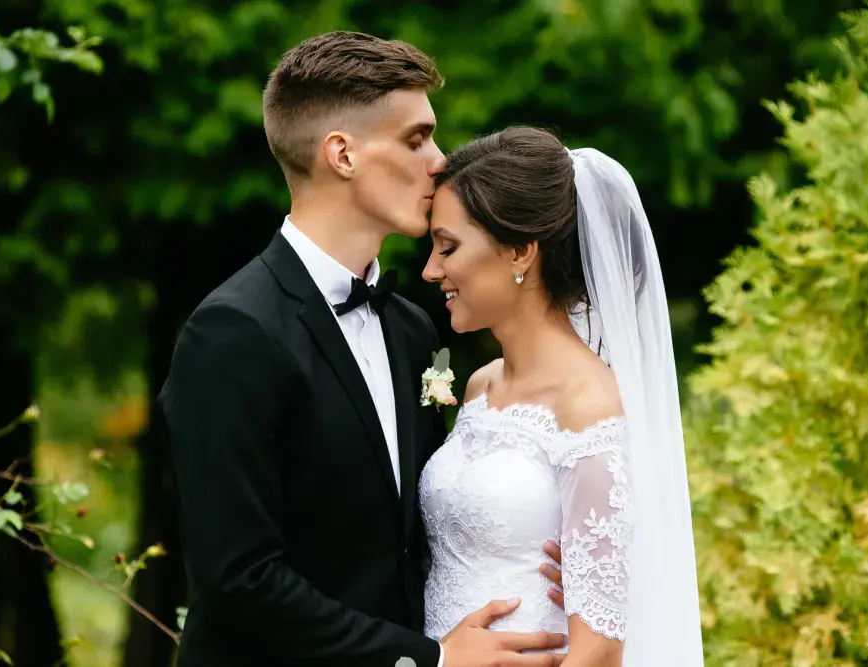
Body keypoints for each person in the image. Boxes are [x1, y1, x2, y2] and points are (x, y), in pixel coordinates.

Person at [159, 33, 567, 667]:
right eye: (416, 139)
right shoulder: (232, 333)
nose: (440, 162)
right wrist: (428, 661)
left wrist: (531, 566)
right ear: (342, 154)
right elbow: (239, 580)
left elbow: (418, 528)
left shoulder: (412, 330)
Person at [421, 126, 704, 666]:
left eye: (448, 247)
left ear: (520, 252)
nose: (431, 270)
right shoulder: (479, 386)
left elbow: (600, 651)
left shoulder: (587, 403)